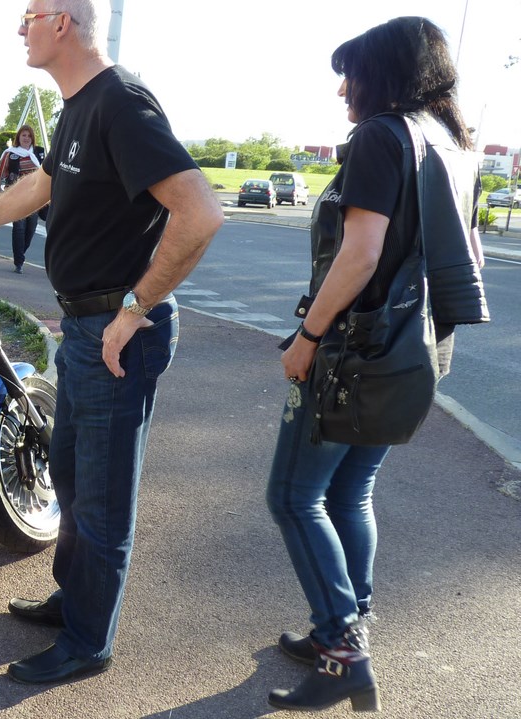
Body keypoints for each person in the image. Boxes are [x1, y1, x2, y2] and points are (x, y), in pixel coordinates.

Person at [0, 0, 223, 684]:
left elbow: (200, 211)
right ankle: (75, 597)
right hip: (82, 328)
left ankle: (89, 640)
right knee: (72, 477)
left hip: (115, 334)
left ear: (64, 22)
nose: (19, 25)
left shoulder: (121, 102)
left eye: (29, 13)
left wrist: (137, 309)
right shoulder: (77, 105)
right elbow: (43, 186)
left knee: (102, 498)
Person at [265, 17, 487, 712]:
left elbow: (361, 253)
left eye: (351, 72)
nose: (341, 88)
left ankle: (341, 649)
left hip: (354, 353)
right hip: (417, 350)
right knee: (348, 493)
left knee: (293, 496)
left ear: (386, 74)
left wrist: (307, 335)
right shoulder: (453, 142)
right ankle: (349, 619)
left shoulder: (381, 137)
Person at [0, 124, 46, 272]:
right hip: (16, 197)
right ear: (18, 137)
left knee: (31, 228)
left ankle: (20, 254)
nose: (26, 138)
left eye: (29, 136)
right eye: (24, 135)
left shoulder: (39, 153)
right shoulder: (10, 154)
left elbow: (47, 174)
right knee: (19, 228)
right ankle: (19, 262)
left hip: (35, 197)